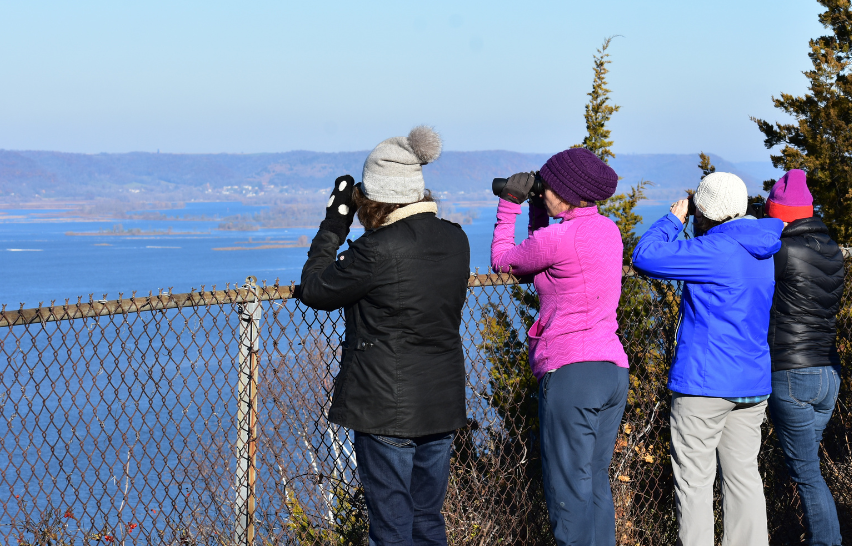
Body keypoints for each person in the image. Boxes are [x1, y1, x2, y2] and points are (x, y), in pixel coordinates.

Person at [298, 126, 471, 546]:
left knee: (391, 529)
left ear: (375, 196)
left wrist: (334, 224)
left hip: (384, 407)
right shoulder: (456, 239)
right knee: (428, 521)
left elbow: (315, 288)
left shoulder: (375, 251)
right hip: (441, 402)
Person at [631, 172, 785, 546]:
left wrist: (672, 220)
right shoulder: (762, 248)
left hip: (705, 383)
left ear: (705, 211)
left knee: (694, 482)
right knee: (744, 478)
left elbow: (644, 256)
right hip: (750, 384)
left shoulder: (715, 251)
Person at [490, 148, 629, 546]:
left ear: (565, 192)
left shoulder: (561, 238)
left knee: (568, 498)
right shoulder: (607, 230)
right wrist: (539, 207)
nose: (542, 189)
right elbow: (543, 251)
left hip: (572, 375)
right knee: (594, 484)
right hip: (611, 369)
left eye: (546, 185)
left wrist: (510, 204)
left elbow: (505, 259)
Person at [764, 169, 845, 546]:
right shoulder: (832, 250)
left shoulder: (780, 251)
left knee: (806, 473)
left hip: (791, 373)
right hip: (828, 375)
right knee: (807, 466)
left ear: (778, 214)